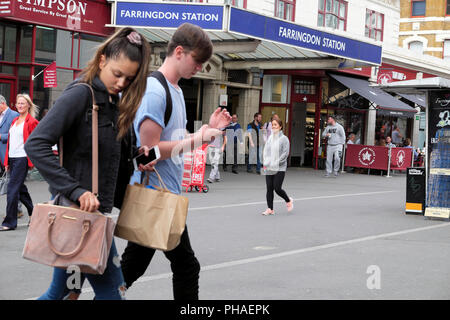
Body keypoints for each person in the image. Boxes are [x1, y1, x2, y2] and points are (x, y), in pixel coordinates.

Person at [24, 27, 151, 300]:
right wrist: (76, 190)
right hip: (76, 217)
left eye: (129, 79)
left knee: (64, 293)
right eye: (117, 74)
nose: (121, 83)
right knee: (110, 294)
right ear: (102, 60)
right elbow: (36, 143)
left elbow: (111, 149)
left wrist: (140, 157)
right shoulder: (81, 94)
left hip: (91, 219)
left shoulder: (113, 101)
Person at [120, 23, 231, 300]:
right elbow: (148, 152)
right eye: (197, 61)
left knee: (133, 271)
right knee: (183, 267)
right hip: (154, 195)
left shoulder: (176, 90)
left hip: (164, 194)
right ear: (179, 52)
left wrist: (205, 132)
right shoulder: (156, 91)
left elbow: (173, 142)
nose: (200, 68)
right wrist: (201, 137)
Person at [1, 94, 38, 231]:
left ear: (28, 105)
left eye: (23, 103)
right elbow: (10, 143)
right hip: (12, 158)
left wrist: (32, 160)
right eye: (18, 103)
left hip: (22, 158)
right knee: (20, 189)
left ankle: (10, 222)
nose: (20, 106)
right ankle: (34, 213)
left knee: (12, 189)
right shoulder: (14, 121)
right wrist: (6, 161)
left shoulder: (32, 121)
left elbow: (36, 141)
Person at [262, 118, 293, 216]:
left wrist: (276, 162)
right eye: (272, 125)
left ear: (280, 127)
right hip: (269, 167)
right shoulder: (270, 138)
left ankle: (288, 200)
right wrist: (265, 162)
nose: (273, 126)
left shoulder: (284, 139)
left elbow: (285, 154)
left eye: (275, 125)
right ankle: (270, 209)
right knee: (269, 188)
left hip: (280, 167)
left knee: (277, 188)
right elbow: (265, 151)